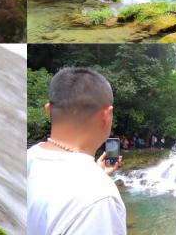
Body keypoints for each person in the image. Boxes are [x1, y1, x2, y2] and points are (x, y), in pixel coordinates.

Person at [27, 67, 126, 235]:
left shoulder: (28, 157)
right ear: (106, 115)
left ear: (48, 110)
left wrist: (95, 172)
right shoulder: (99, 198)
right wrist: (93, 178)